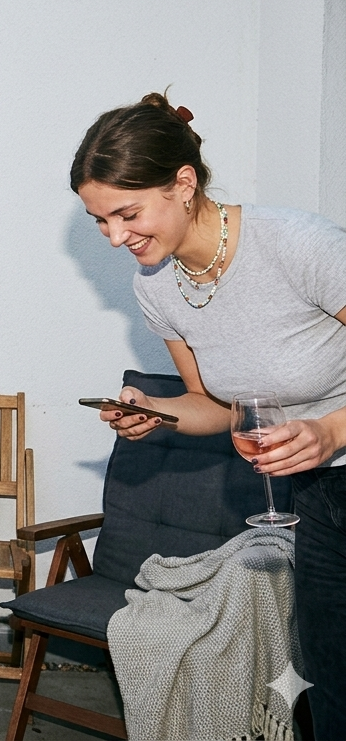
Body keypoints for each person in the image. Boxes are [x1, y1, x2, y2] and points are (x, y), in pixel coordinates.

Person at [72, 91, 346, 737]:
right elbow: (216, 407)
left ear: (184, 184)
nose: (115, 237)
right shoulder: (157, 285)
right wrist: (154, 412)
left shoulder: (300, 245)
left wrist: (331, 430)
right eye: (99, 221)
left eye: (126, 213)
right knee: (331, 682)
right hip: (316, 499)